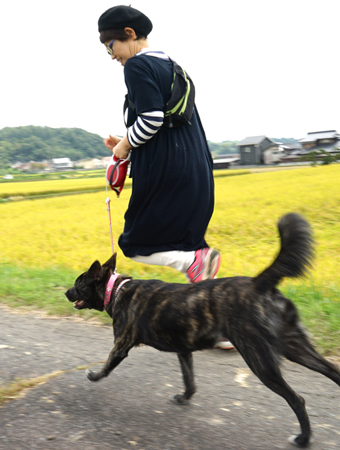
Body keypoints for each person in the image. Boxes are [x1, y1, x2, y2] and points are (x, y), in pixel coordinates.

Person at [98, 5, 232, 349]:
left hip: (166, 172)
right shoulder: (172, 66)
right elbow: (164, 121)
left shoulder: (139, 64)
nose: (110, 55)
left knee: (136, 243)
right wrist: (128, 139)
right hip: (194, 167)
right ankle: (217, 329)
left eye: (109, 45)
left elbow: (153, 119)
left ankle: (193, 262)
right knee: (189, 243)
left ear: (128, 34)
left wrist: (125, 147)